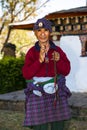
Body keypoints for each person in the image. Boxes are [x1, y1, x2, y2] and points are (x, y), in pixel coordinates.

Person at [22, 18, 72, 130]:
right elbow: (26, 74)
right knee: (40, 126)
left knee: (58, 124)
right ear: (35, 33)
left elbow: (66, 71)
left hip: (56, 90)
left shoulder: (57, 50)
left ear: (50, 32)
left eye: (46, 30)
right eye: (39, 30)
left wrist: (59, 60)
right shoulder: (31, 52)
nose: (43, 34)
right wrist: (38, 61)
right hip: (37, 91)